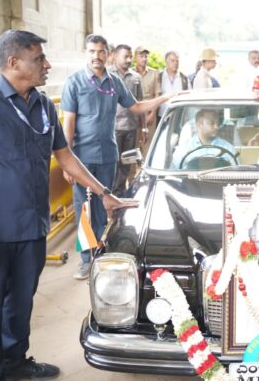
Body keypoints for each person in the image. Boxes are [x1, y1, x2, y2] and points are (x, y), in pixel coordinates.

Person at [0, 29, 136, 381]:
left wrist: (105, 192)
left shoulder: (42, 103)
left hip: (32, 227)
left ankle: (15, 362)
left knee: (21, 302)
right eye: (39, 58)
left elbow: (65, 156)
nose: (48, 64)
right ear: (13, 62)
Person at [62, 34, 175, 280]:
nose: (96, 56)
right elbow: (68, 123)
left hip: (107, 155)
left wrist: (164, 98)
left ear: (108, 54)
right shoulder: (74, 83)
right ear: (86, 53)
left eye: (101, 51)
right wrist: (67, 163)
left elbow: (136, 107)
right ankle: (85, 260)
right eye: (92, 51)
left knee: (105, 206)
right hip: (81, 158)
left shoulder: (114, 82)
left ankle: (101, 256)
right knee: (84, 209)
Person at [107, 44, 145, 197]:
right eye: (125, 56)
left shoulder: (135, 77)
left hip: (131, 127)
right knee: (113, 162)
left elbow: (140, 102)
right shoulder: (108, 75)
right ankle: (110, 193)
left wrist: (143, 128)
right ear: (115, 56)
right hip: (112, 128)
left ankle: (120, 193)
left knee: (127, 163)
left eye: (130, 57)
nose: (129, 60)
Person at [172, 109, 236, 169]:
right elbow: (173, 173)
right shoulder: (183, 149)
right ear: (200, 125)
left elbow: (237, 172)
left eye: (217, 124)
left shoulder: (228, 148)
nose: (216, 127)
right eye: (212, 123)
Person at [133, 45, 161, 156]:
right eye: (141, 56)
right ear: (135, 57)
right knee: (134, 147)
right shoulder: (130, 74)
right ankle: (132, 172)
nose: (144, 59)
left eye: (146, 56)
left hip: (150, 114)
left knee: (148, 147)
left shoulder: (154, 73)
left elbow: (157, 94)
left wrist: (153, 114)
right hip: (134, 115)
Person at [158, 50, 191, 119]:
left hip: (179, 116)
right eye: (172, 61)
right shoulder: (159, 77)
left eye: (177, 61)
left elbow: (189, 96)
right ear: (166, 62)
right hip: (162, 116)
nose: (175, 63)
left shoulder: (184, 78)